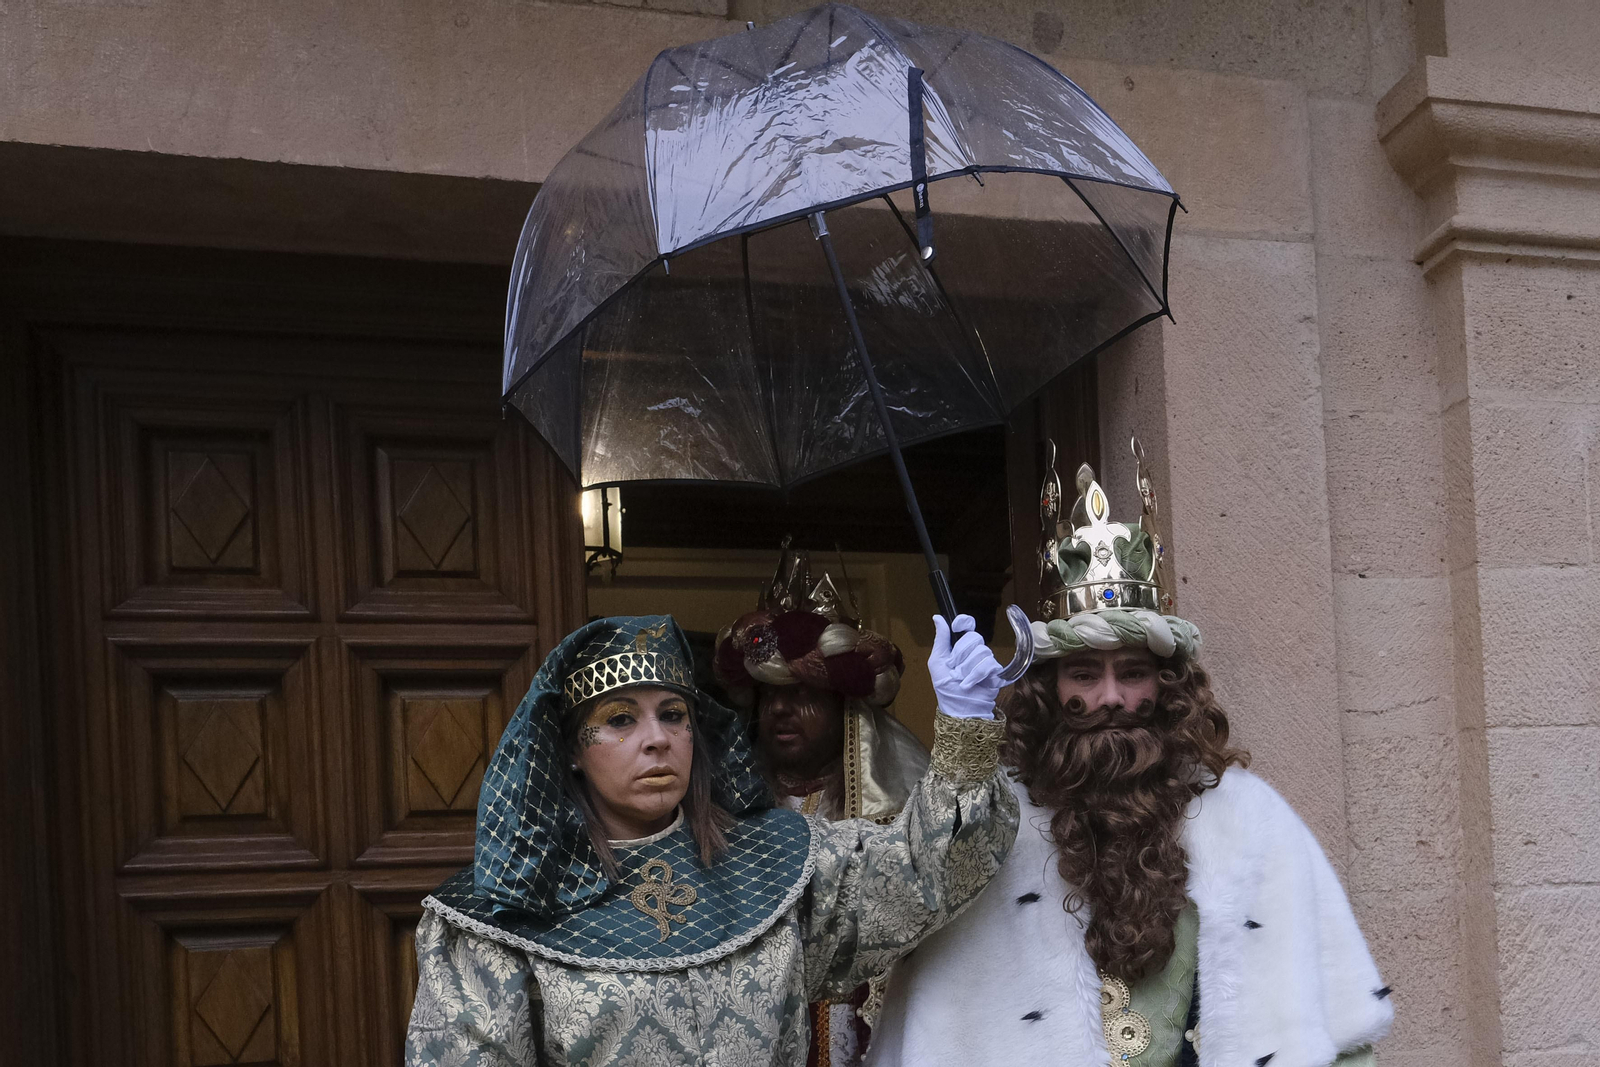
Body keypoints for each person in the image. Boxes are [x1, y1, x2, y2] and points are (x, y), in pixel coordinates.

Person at [866, 443, 1394, 1067]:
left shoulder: (1249, 821)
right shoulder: (986, 828)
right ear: (1049, 690)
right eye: (1084, 673)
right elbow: (894, 908)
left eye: (1134, 673)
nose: (1111, 697)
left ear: (1168, 687)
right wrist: (961, 742)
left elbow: (1341, 1041)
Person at [404, 612, 1017, 1067]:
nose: (657, 738)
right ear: (570, 748)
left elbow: (923, 874)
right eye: (620, 719)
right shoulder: (499, 917)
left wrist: (966, 728)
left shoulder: (779, 860)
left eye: (673, 714)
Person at [714, 542, 932, 1065]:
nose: (783, 709)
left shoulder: (904, 812)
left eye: (804, 695)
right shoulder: (721, 811)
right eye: (771, 697)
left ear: (848, 711)